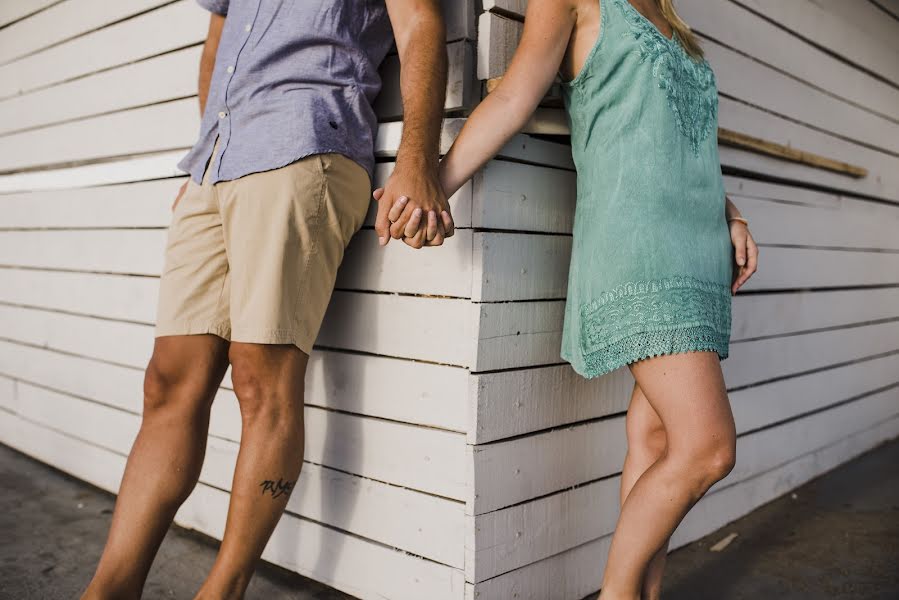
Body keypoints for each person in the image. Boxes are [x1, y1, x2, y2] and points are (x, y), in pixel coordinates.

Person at [384, 0, 759, 598]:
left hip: (699, 250)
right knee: (707, 449)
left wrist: (729, 212)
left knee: (659, 441)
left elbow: (679, 138)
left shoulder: (670, 16)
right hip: (639, 248)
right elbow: (513, 98)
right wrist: (432, 185)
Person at [81, 1, 451, 598]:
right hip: (219, 160)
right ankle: (108, 591)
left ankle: (222, 590)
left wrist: (417, 160)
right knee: (168, 381)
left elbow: (419, 22)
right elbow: (215, 45)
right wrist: (208, 151)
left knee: (262, 379)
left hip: (303, 139)